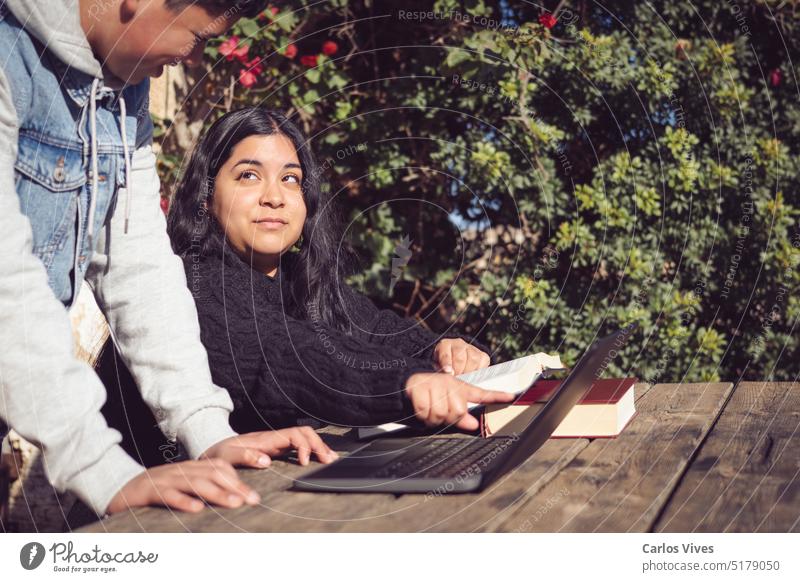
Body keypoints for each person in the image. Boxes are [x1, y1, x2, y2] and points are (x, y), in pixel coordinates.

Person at [0, 0, 337, 523]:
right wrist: (104, 469)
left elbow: (139, 268)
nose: (187, 58)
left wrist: (208, 432)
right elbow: (6, 286)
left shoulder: (121, 93)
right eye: (199, 37)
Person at [167, 107, 516, 433]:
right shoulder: (193, 285)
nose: (275, 197)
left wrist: (449, 352)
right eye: (248, 175)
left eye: (291, 178)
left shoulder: (301, 281)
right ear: (206, 198)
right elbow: (285, 353)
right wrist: (405, 382)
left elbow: (382, 332)